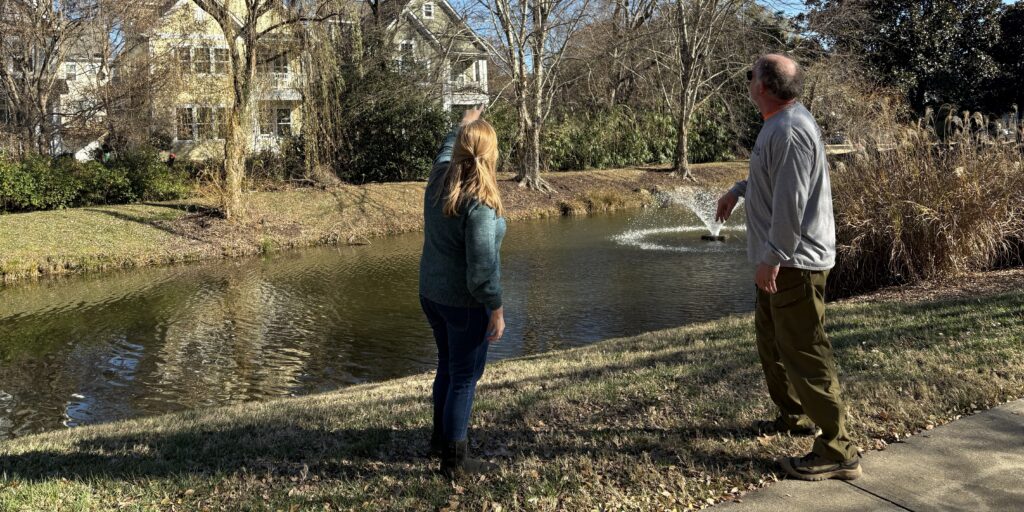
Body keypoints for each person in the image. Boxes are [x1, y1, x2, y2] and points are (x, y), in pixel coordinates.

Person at [716, 54, 862, 481]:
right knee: (773, 344)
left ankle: (838, 449)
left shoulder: (793, 129)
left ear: (763, 85)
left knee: (805, 350)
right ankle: (794, 417)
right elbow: (774, 181)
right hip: (778, 261)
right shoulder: (777, 124)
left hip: (792, 263)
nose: (747, 81)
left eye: (750, 75)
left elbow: (792, 206)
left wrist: (773, 258)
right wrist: (738, 190)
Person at [419, 106, 506, 479]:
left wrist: (463, 124)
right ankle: (454, 461)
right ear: (489, 155)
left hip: (432, 296)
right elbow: (482, 273)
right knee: (464, 377)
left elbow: (444, 150)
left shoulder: (439, 177)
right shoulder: (481, 204)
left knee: (448, 367)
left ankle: (440, 439)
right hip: (464, 303)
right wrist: (497, 309)